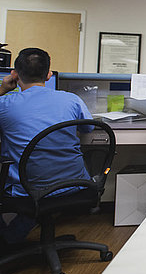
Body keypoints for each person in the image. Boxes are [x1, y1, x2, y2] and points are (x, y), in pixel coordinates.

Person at [0, 48, 93, 247]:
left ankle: (9, 239)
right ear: (49, 74)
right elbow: (88, 128)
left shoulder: (5, 103)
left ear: (15, 74)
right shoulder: (72, 99)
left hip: (27, 190)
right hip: (74, 184)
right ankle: (14, 236)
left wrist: (3, 89)